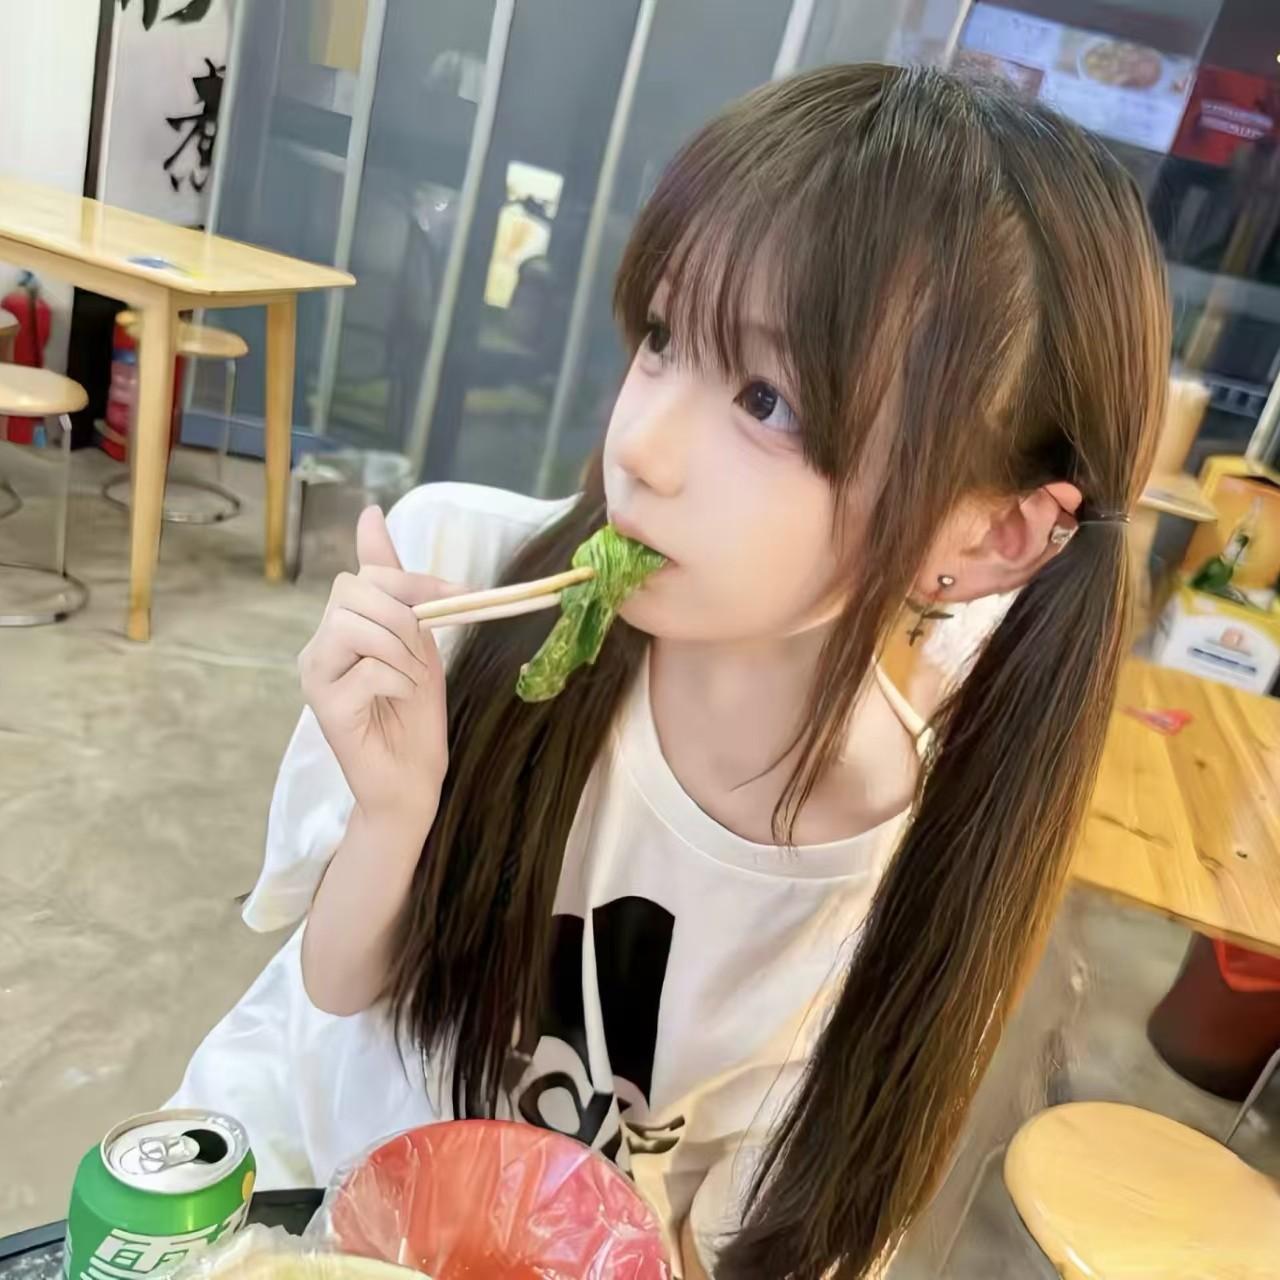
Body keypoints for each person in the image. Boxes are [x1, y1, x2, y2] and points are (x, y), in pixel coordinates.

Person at [171, 65, 1170, 1279]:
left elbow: (739, 1243)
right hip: (284, 1198)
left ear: (988, 532)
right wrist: (395, 810)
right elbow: (335, 992)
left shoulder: (895, 880)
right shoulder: (453, 573)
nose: (639, 444)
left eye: (767, 399)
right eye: (658, 337)